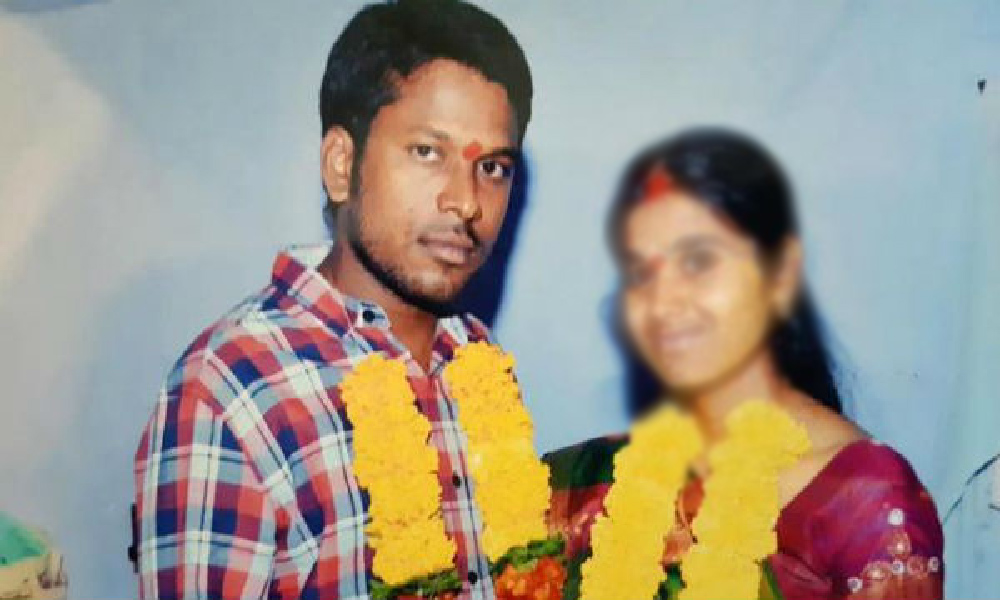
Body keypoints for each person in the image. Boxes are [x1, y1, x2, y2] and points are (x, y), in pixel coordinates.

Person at [133, 1, 532, 598]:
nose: (467, 202)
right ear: (341, 165)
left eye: (493, 167)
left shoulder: (477, 357)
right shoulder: (230, 389)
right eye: (427, 152)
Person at [545, 129, 944, 599]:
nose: (663, 301)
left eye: (697, 261)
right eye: (641, 273)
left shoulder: (864, 505)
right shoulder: (582, 487)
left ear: (781, 275)